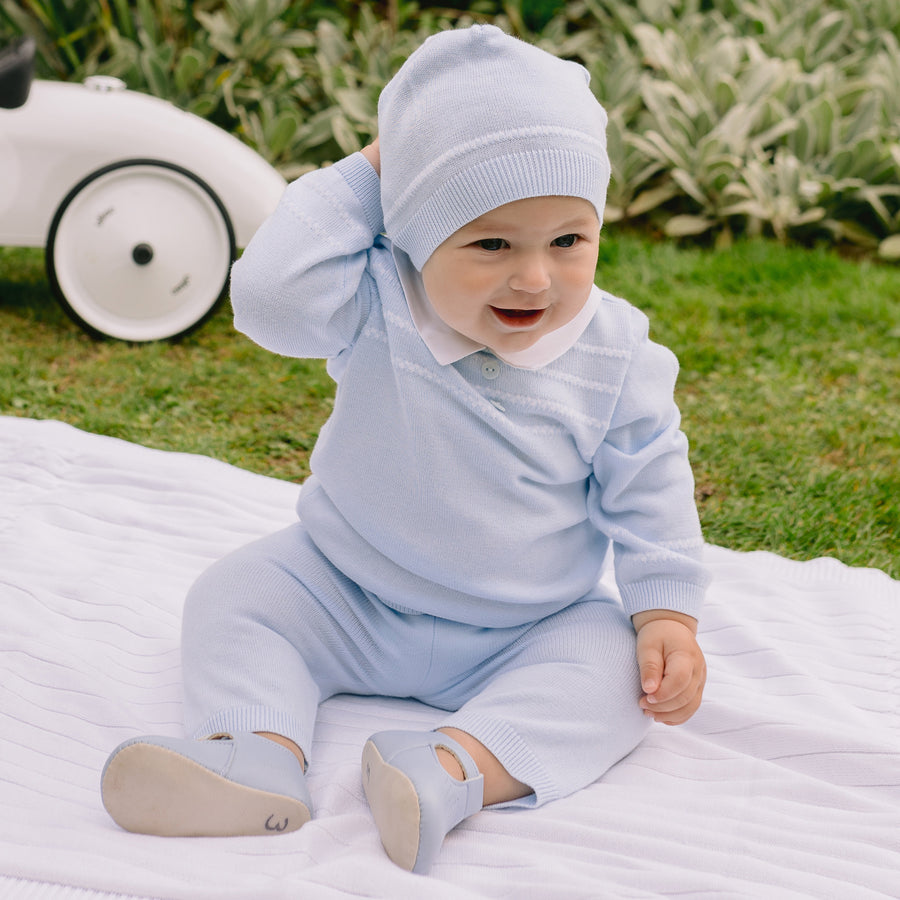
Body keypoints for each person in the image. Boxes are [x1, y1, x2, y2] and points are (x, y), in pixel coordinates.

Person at [100, 24, 709, 876]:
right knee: (233, 596)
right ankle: (256, 752)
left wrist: (666, 615)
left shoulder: (617, 355)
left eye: (569, 240)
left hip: (523, 624)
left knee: (612, 671)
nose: (535, 277)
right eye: (491, 243)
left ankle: (450, 768)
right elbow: (267, 300)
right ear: (415, 230)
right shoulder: (377, 296)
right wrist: (376, 169)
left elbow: (652, 489)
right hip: (345, 587)